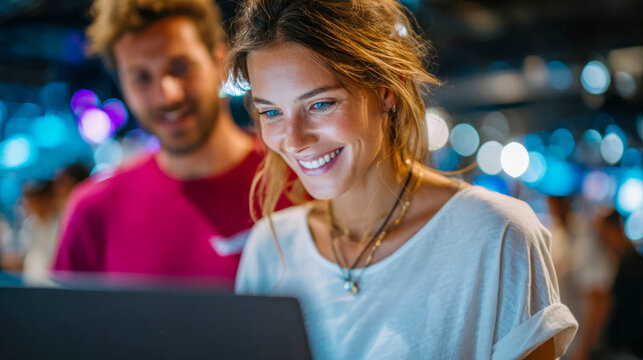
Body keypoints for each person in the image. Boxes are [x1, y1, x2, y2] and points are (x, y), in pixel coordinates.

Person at [230, 0, 577, 359]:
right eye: (271, 112)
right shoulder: (270, 249)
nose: (295, 140)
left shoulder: (495, 235)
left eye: (321, 104)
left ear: (389, 88)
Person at [53, 0, 263, 285]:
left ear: (219, 64)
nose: (168, 95)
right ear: (124, 86)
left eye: (180, 67)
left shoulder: (299, 177)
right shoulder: (93, 212)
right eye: (141, 77)